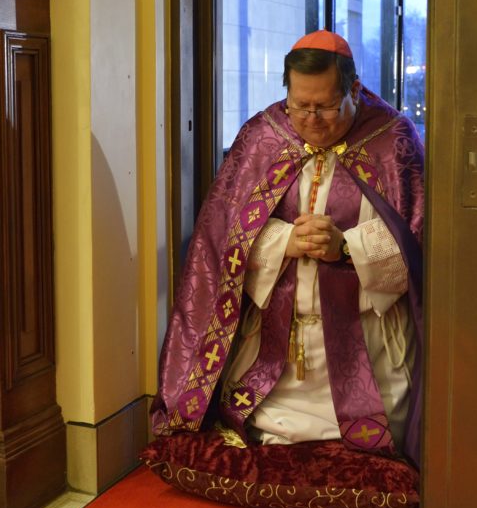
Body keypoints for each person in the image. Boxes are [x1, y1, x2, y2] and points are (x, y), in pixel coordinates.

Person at [150, 30, 424, 468]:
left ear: (353, 89)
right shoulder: (263, 136)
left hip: (366, 341)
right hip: (276, 337)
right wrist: (283, 241)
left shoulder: (394, 141)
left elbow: (417, 246)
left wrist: (346, 248)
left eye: (326, 106)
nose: (312, 119)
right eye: (300, 105)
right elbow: (218, 240)